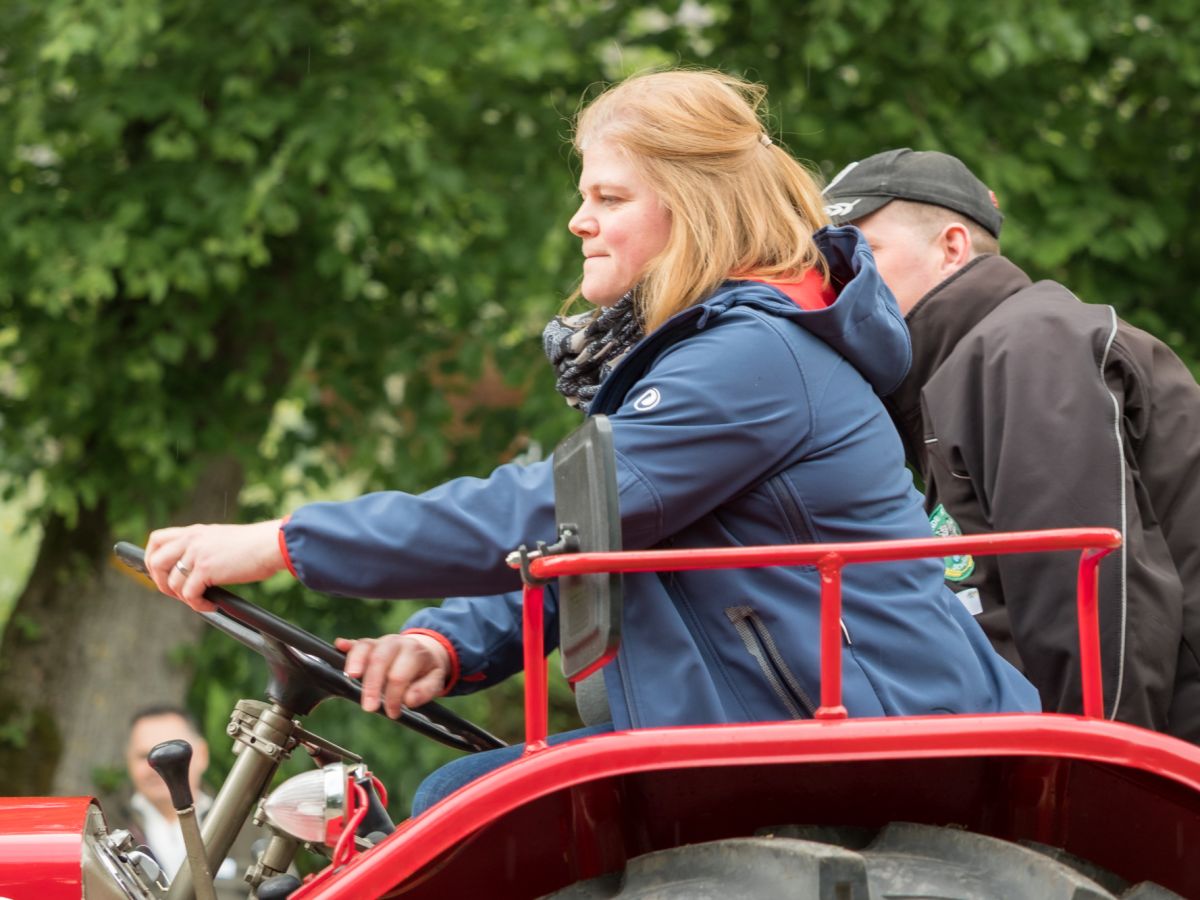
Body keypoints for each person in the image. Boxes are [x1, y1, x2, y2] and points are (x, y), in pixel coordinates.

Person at [144, 71, 1038, 813]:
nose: (580, 221)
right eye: (586, 196)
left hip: (859, 732)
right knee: (450, 797)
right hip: (779, 714)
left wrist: (285, 541)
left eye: (608, 198)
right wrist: (448, 645)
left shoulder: (753, 358)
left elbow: (545, 511)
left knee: (455, 807)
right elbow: (599, 547)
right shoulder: (715, 356)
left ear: (694, 211)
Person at [823, 148, 1200, 742]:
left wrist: (1092, 789)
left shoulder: (1026, 344)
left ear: (951, 247)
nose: (839, 281)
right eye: (828, 262)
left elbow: (1094, 602)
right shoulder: (955, 370)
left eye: (860, 251)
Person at [112, 705, 259, 897]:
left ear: (202, 755)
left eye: (173, 752)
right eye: (144, 756)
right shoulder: (102, 827)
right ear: (128, 761)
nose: (159, 765)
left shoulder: (248, 826)